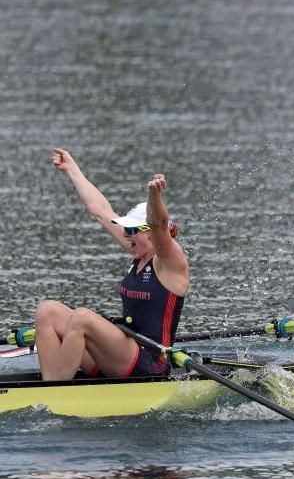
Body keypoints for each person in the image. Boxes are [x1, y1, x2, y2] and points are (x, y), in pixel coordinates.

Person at [35, 148, 189, 380]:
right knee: (47, 311)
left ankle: (55, 392)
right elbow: (100, 210)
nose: (126, 235)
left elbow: (159, 224)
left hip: (151, 364)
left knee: (83, 317)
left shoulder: (169, 263)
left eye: (131, 230)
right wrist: (72, 169)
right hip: (121, 352)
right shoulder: (138, 251)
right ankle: (50, 381)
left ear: (150, 234)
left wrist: (154, 196)